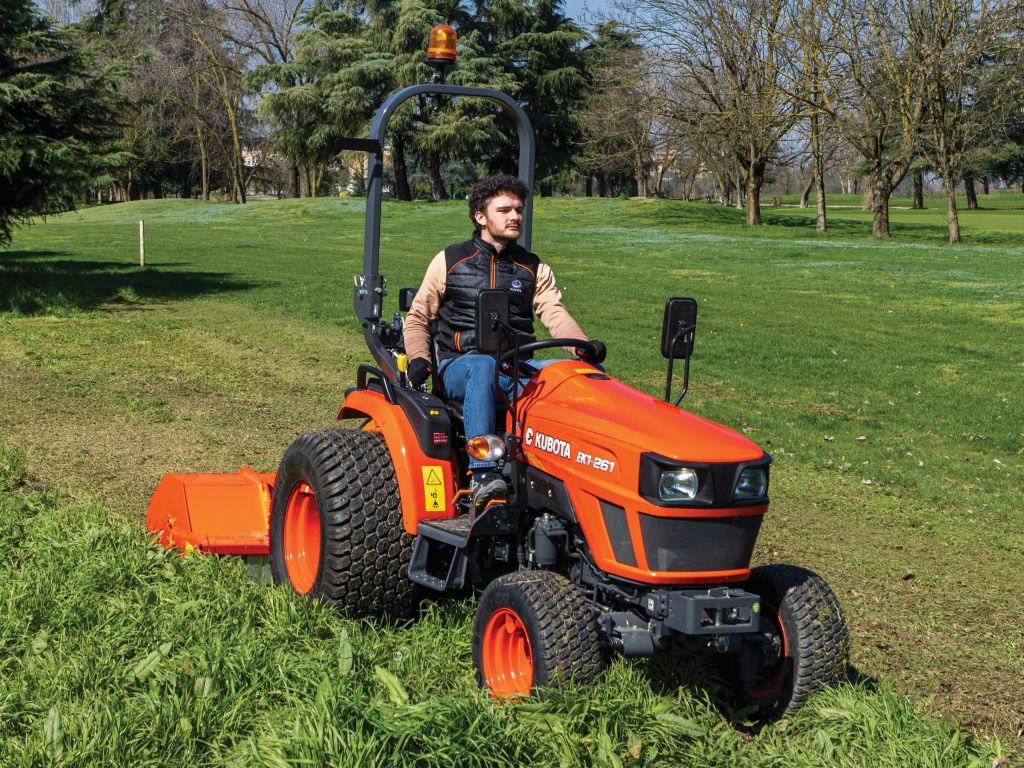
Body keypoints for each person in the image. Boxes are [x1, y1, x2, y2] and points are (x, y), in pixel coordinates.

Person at [403, 174, 605, 509]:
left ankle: (588, 474)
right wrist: (418, 357)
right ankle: (484, 476)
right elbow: (418, 317)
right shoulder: (450, 261)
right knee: (483, 365)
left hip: (515, 366)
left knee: (578, 376)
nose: (515, 216)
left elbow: (554, 312)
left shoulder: (533, 268)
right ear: (480, 216)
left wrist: (581, 347)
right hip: (461, 366)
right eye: (505, 210)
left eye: (519, 210)